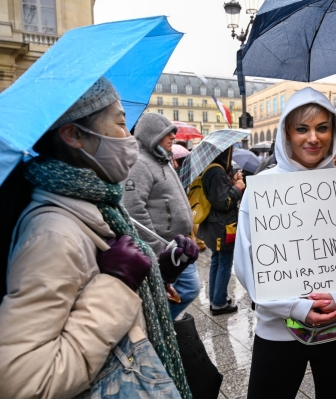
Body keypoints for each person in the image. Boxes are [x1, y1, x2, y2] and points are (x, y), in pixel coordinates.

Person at [0, 77, 196, 398]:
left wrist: (158, 274)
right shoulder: (52, 233)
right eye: (120, 124)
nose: (129, 138)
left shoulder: (97, 203)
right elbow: (23, 381)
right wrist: (117, 283)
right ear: (74, 135)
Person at [234, 87, 336, 398]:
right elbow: (247, 265)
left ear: (334, 132)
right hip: (278, 331)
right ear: (287, 134)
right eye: (302, 129)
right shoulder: (262, 189)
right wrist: (295, 307)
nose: (313, 138)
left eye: (322, 128)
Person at [122, 113, 200, 319]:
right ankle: (159, 325)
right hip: (164, 250)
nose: (173, 137)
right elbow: (133, 210)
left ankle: (162, 323)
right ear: (151, 136)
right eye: (167, 134)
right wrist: (156, 249)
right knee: (187, 289)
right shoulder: (140, 164)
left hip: (178, 247)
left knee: (185, 290)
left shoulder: (163, 160)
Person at [198, 145, 244, 315]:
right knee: (224, 262)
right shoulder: (216, 171)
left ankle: (216, 298)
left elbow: (218, 193)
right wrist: (238, 187)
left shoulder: (210, 168)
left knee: (217, 261)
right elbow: (223, 202)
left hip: (214, 225)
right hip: (222, 227)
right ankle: (219, 303)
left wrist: (232, 180)